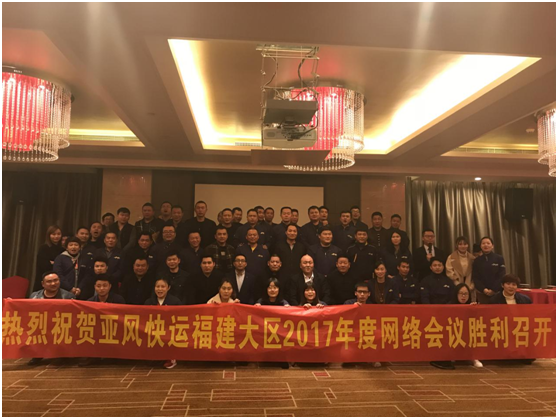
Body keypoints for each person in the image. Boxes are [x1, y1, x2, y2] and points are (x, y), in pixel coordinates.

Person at [28, 271, 75, 366]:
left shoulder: (68, 296)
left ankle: (63, 354)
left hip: (61, 325)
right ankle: (38, 354)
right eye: (49, 281)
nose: (53, 283)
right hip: (41, 325)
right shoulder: (34, 296)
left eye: (56, 280)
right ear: (43, 284)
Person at [144, 277, 182, 370]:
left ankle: (171, 358)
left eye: (163, 287)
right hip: (154, 331)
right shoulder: (148, 302)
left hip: (170, 331)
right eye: (157, 287)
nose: (160, 289)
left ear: (168, 288)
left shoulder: (175, 301)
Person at [473, 237, 506, 304]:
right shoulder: (477, 260)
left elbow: (501, 276)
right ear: (480, 246)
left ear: (492, 246)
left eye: (488, 243)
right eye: (483, 243)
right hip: (482, 293)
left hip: (497, 293)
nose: (486, 245)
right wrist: (483, 289)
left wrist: (493, 290)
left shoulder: (499, 258)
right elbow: (475, 278)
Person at [34, 225, 63, 292]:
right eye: (53, 234)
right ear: (49, 235)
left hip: (58, 281)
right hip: (44, 279)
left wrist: (54, 263)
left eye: (58, 234)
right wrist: (56, 264)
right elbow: (44, 265)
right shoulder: (43, 248)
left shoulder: (63, 250)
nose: (56, 236)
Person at [446, 236, 476, 301]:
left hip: (470, 287)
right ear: (456, 245)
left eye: (465, 244)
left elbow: (476, 273)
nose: (463, 246)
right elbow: (449, 272)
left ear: (468, 245)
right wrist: (458, 284)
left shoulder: (472, 258)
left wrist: (471, 286)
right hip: (456, 286)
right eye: (460, 244)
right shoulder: (451, 257)